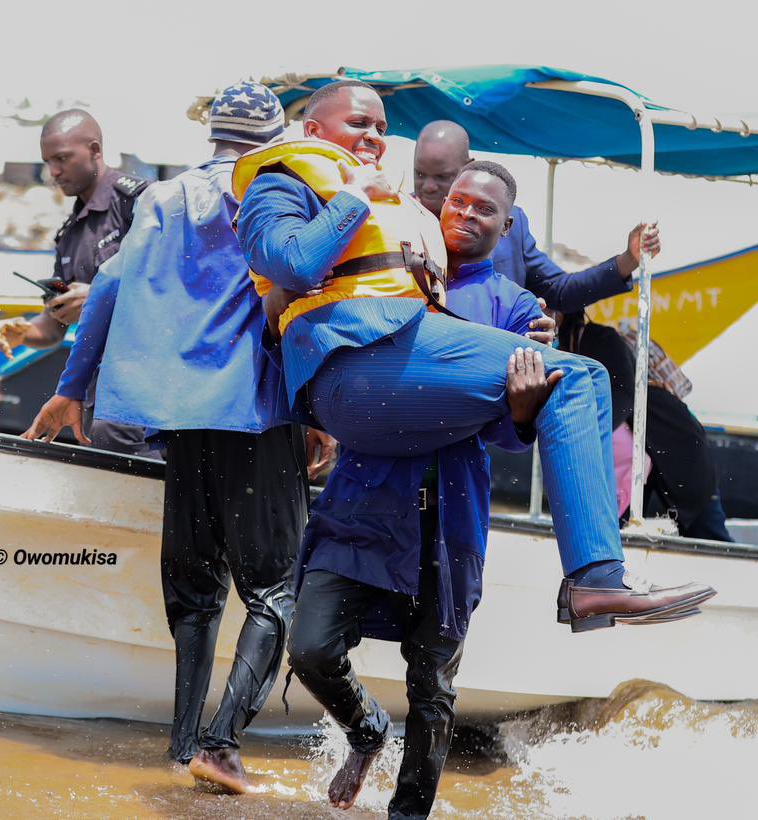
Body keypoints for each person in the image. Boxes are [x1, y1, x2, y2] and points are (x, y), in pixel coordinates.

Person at [235, 80, 714, 635]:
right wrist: (353, 197)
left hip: (448, 489)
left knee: (434, 671)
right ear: (313, 131)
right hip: (359, 391)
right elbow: (292, 270)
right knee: (582, 376)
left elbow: (514, 422)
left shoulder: (509, 300)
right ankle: (596, 580)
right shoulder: (290, 183)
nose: (374, 137)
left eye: (382, 129)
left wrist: (523, 402)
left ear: (506, 226)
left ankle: (595, 580)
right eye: (360, 124)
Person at [24, 82, 322, 794]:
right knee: (275, 592)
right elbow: (309, 299)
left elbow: (104, 291)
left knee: (195, 596)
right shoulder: (279, 193)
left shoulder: (159, 200)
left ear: (214, 137)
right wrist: (324, 413)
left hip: (179, 419)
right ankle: (220, 746)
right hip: (255, 412)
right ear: (275, 139)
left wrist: (70, 387)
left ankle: (181, 746)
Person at [286, 161, 557, 818]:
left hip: (448, 515)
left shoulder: (517, 310)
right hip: (363, 497)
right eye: (456, 201)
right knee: (312, 646)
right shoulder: (387, 267)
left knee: (433, 685)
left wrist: (524, 409)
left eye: (483, 209)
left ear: (508, 225)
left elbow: (515, 438)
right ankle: (366, 728)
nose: (464, 214)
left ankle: (409, 813)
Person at [0, 109, 150, 454]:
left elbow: (173, 291)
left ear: (94, 150)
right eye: (48, 162)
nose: (54, 172)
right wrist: (25, 333)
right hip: (97, 397)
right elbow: (53, 327)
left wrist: (97, 297)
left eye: (62, 159)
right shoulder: (71, 233)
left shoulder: (140, 204)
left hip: (148, 392)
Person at [413, 119, 661, 312]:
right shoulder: (400, 219)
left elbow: (560, 291)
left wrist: (629, 259)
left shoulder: (513, 226)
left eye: (442, 176)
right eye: (420, 174)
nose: (429, 186)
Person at [559, 311, 735, 542]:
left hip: (675, 448)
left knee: (708, 534)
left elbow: (623, 398)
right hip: (660, 446)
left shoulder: (604, 345)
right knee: (703, 531)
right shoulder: (608, 347)